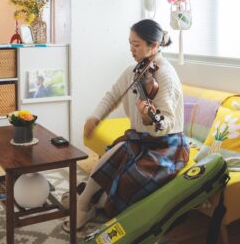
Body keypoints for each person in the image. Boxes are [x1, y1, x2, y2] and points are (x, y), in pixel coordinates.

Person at [64, 19, 187, 232]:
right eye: (130, 43)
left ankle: (92, 201)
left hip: (165, 145)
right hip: (140, 139)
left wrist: (149, 119)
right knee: (111, 157)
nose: (131, 49)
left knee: (128, 184)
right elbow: (113, 95)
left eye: (136, 44)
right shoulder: (134, 71)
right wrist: (95, 117)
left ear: (154, 46)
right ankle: (83, 204)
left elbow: (165, 123)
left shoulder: (165, 76)